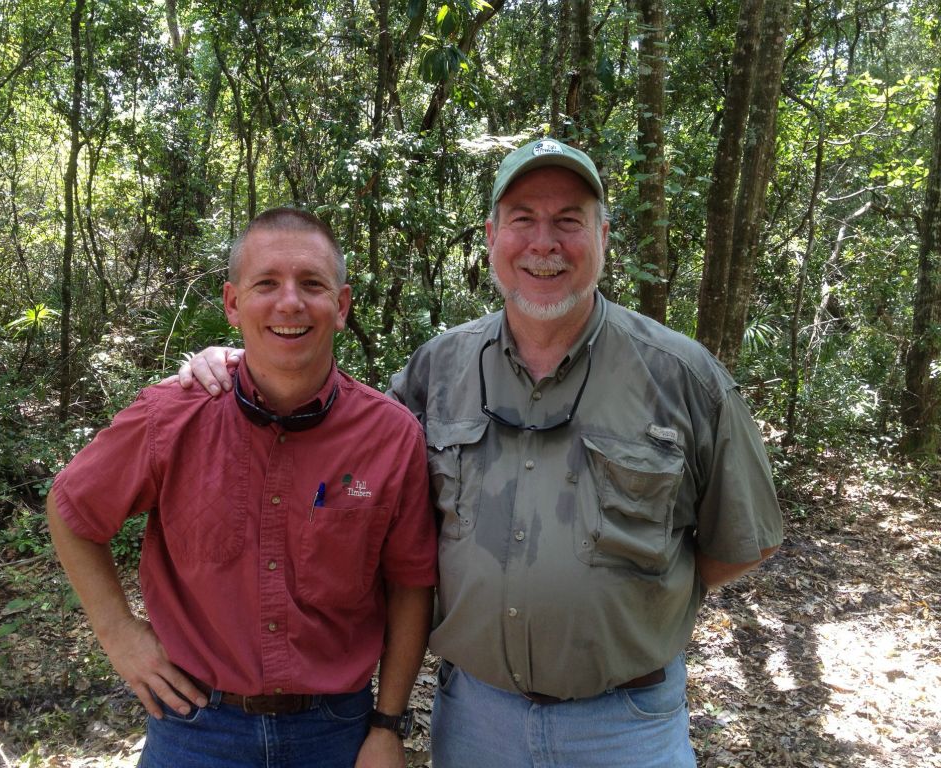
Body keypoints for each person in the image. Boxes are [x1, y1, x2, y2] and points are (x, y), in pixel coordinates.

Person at [180, 139, 783, 767]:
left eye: (568, 221)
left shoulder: (683, 376)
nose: (543, 242)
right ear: (492, 236)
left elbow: (741, 541)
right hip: (474, 720)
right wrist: (247, 365)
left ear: (603, 235)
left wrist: (634, 604)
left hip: (625, 725)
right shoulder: (437, 369)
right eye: (522, 219)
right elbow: (332, 437)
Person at [48, 207, 437, 768]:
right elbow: (71, 509)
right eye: (266, 284)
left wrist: (388, 725)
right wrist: (119, 635)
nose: (289, 303)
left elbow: (410, 584)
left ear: (342, 306)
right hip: (195, 729)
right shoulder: (172, 416)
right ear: (233, 304)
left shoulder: (390, 436)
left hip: (337, 731)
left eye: (311, 284)